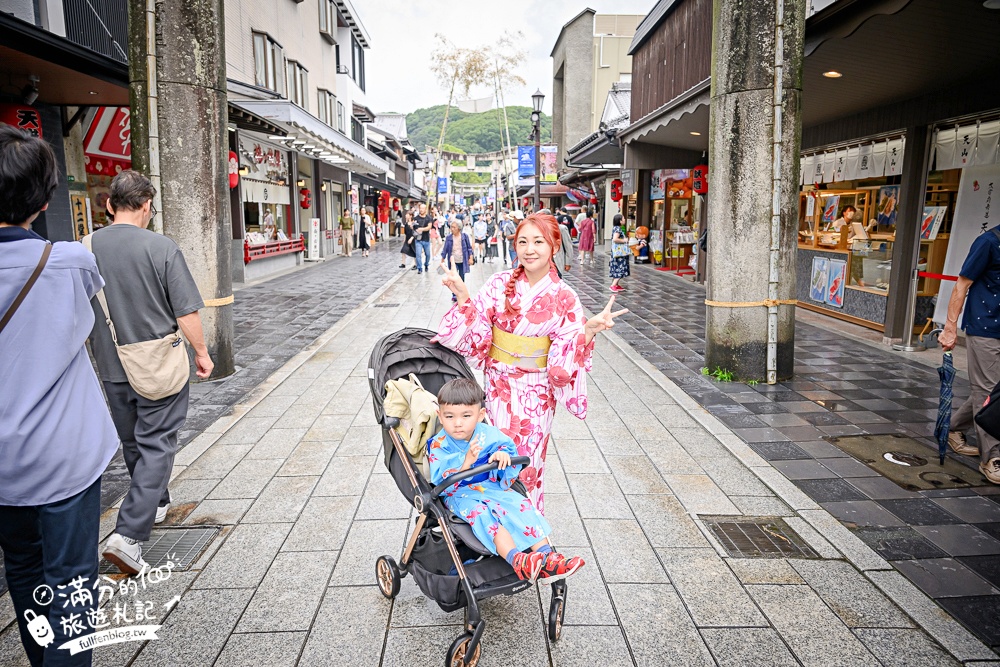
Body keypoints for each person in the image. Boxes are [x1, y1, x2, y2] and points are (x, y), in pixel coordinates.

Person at [0, 124, 119, 667]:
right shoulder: (70, 262)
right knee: (70, 583)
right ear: (46, 196)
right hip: (64, 454)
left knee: (22, 569)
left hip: (4, 464)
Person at [435, 213, 627, 512]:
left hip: (536, 392)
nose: (529, 249)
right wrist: (462, 296)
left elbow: (565, 352)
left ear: (553, 245)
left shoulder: (564, 296)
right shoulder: (499, 283)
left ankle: (527, 528)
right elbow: (478, 328)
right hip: (497, 385)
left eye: (538, 241)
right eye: (522, 241)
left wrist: (588, 330)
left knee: (528, 462)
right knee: (490, 455)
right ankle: (492, 526)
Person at [89, 170, 214, 575]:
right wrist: (201, 352)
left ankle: (156, 503)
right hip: (157, 363)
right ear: (146, 206)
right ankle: (128, 536)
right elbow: (186, 310)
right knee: (158, 442)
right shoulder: (160, 247)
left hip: (111, 364)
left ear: (109, 205)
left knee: (133, 441)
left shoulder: (82, 248)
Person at [429, 378, 585, 581]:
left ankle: (548, 556)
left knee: (520, 504)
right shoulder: (439, 444)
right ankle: (517, 559)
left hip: (490, 486)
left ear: (480, 415)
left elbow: (507, 448)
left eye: (466, 416)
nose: (458, 423)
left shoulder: (488, 434)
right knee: (484, 515)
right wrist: (465, 463)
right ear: (440, 416)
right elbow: (440, 480)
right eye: (449, 416)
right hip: (459, 494)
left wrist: (503, 456)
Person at [940, 224, 1000, 483]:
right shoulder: (988, 241)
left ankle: (952, 428)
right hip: (985, 327)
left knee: (988, 391)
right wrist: (950, 327)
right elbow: (962, 284)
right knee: (986, 390)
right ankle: (992, 458)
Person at [440, 220, 474, 302]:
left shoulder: (464, 236)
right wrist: (442, 259)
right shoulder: (449, 238)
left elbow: (469, 248)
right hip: (453, 261)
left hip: (462, 260)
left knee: (461, 277)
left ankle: (461, 293)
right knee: (452, 278)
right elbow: (445, 249)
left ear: (459, 228)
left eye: (454, 227)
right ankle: (454, 294)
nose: (452, 229)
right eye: (451, 227)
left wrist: (471, 257)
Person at [609, 216, 631, 293]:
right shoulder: (618, 229)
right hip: (620, 253)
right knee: (620, 268)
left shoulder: (615, 228)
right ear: (620, 221)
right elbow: (615, 239)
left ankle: (616, 285)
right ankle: (613, 285)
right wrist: (624, 240)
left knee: (617, 268)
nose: (624, 220)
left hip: (617, 252)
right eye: (623, 219)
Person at [413, 203, 434, 274]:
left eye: (422, 208)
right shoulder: (416, 218)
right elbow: (414, 228)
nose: (421, 210)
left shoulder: (429, 218)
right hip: (418, 239)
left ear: (425, 209)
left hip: (426, 239)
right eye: (420, 208)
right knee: (418, 254)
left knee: (428, 254)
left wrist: (421, 229)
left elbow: (429, 227)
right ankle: (419, 268)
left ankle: (426, 264)